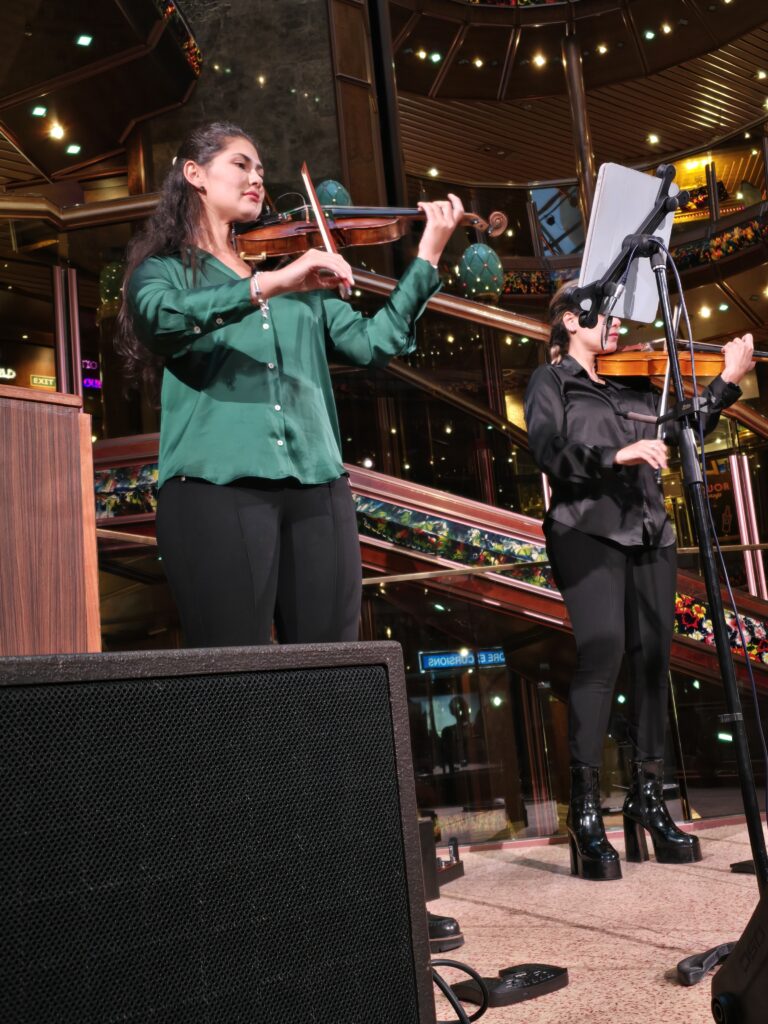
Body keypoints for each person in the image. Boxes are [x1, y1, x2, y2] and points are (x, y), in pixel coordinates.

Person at [116, 121, 464, 646]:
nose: (257, 177)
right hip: (216, 487)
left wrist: (428, 258)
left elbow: (375, 343)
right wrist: (270, 283)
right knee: (234, 672)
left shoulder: (298, 276)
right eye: (241, 164)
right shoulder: (166, 272)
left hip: (317, 485)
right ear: (195, 174)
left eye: (260, 169)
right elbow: (162, 320)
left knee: (332, 666)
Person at [524, 282, 755, 881]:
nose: (620, 328)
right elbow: (549, 452)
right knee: (601, 653)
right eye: (607, 318)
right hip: (586, 530)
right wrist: (614, 457)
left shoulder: (632, 382)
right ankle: (584, 812)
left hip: (651, 531)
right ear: (572, 320)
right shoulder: (552, 383)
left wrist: (727, 381)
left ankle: (649, 797)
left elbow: (685, 430)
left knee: (654, 659)